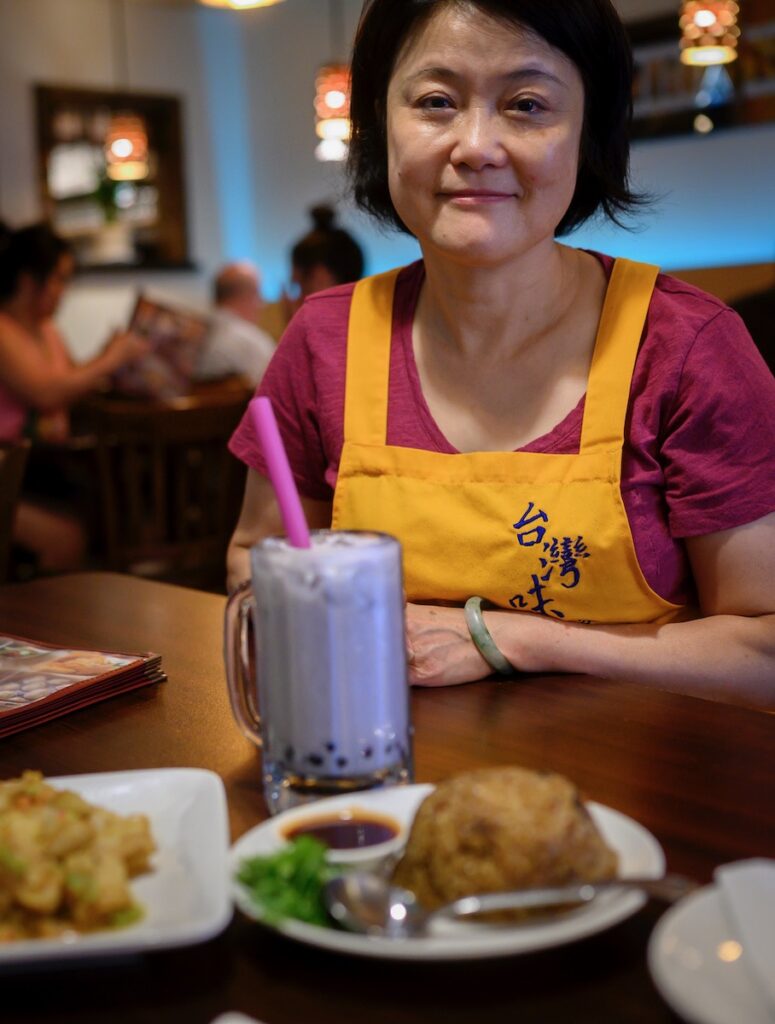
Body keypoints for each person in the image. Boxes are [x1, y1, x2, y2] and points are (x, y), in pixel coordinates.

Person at [226, 0, 775, 711]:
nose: (475, 145)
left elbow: (762, 650)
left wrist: (503, 639)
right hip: (379, 780)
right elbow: (252, 559)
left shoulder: (684, 347)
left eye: (525, 104)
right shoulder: (322, 339)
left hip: (632, 794)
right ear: (379, 125)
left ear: (589, 135)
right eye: (434, 101)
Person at [0, 221, 147, 573]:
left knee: (121, 493)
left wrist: (106, 357)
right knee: (73, 533)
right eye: (59, 279)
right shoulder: (3, 331)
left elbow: (73, 380)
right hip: (16, 469)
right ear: (27, 280)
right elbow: (45, 392)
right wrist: (110, 360)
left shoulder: (47, 330)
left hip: (51, 463)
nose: (63, 291)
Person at [194, 261, 276, 387]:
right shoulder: (253, 342)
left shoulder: (191, 338)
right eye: (258, 294)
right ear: (246, 295)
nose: (261, 303)